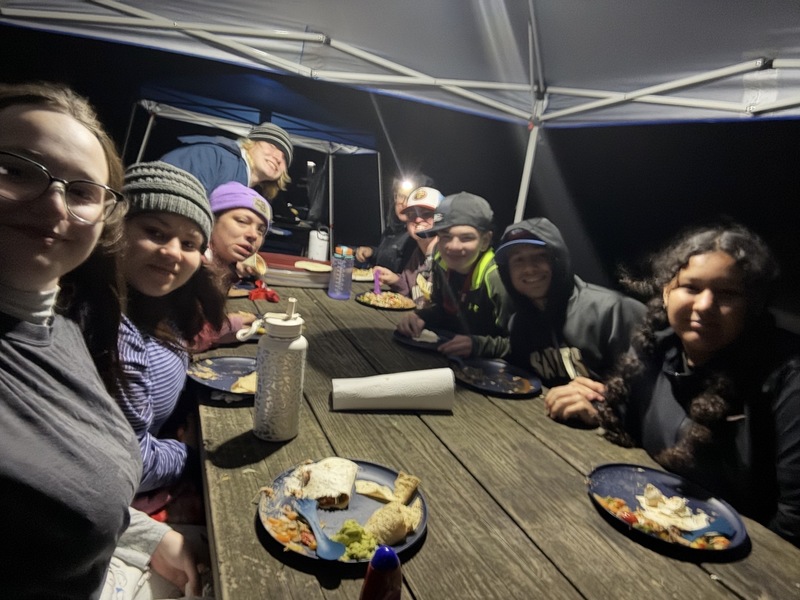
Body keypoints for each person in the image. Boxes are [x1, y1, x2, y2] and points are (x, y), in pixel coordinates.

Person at [0, 81, 202, 598]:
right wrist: (194, 455)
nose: (54, 205)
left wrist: (145, 536)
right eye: (15, 170)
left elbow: (58, 500)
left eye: (82, 191)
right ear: (122, 227)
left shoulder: (59, 327)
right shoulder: (99, 327)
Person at [585, 223, 799, 547]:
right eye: (691, 287)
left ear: (752, 305)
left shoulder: (786, 378)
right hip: (645, 525)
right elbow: (623, 431)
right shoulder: (657, 348)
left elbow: (793, 522)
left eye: (727, 293)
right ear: (666, 292)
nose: (704, 305)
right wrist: (590, 404)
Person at [115, 161, 226, 495]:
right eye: (155, 232)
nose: (172, 252)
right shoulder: (113, 330)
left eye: (189, 244)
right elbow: (129, 463)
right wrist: (192, 452)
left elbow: (200, 336)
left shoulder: (163, 306)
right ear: (115, 227)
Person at [494, 218, 646, 420]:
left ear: (557, 259)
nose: (529, 269)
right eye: (518, 260)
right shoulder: (518, 324)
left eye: (540, 256)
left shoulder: (614, 310)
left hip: (612, 430)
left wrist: (602, 407)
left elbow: (653, 396)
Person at [396, 191, 512, 358]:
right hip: (448, 354)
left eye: (466, 238)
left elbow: (521, 344)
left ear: (485, 241)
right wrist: (419, 317)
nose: (453, 246)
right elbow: (441, 308)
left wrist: (479, 345)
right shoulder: (439, 260)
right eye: (445, 236)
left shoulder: (497, 279)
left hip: (487, 365)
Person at [160, 121, 293, 200]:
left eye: (284, 158)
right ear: (252, 143)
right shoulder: (215, 157)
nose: (278, 158)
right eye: (272, 146)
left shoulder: (242, 180)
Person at [376, 186, 444, 308]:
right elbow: (411, 292)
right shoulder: (417, 255)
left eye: (427, 214)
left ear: (441, 218)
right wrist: (395, 280)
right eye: (412, 215)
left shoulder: (448, 257)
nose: (418, 219)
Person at [355, 173, 432, 272]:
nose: (403, 203)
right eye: (401, 196)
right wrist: (372, 252)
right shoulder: (391, 230)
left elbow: (419, 273)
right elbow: (388, 258)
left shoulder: (422, 234)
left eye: (410, 198)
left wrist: (396, 279)